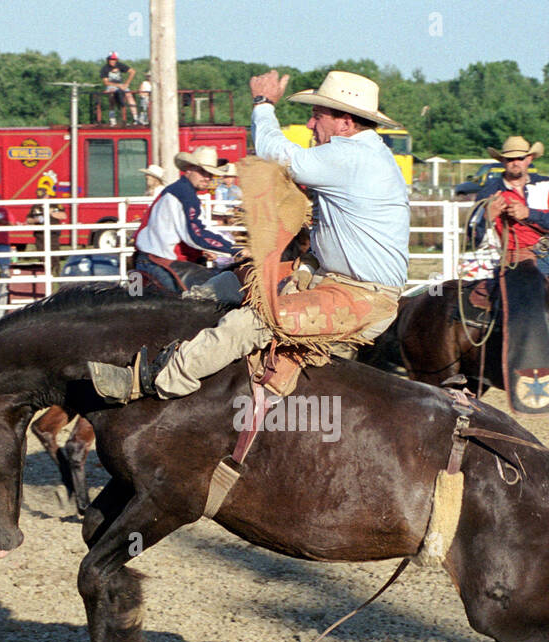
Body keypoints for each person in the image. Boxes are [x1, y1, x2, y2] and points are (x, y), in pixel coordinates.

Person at [89, 69, 409, 403]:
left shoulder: (352, 155)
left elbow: (277, 154)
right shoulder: (360, 156)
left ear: (344, 122)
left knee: (255, 321)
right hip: (337, 282)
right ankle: (181, 340)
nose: (311, 125)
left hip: (361, 298)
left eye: (317, 116)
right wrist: (305, 268)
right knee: (228, 285)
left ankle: (154, 382)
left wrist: (263, 104)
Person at [131, 145, 239, 294]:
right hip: (160, 263)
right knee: (218, 294)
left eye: (210, 174)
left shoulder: (177, 190)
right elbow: (196, 235)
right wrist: (234, 249)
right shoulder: (185, 194)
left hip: (147, 260)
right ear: (189, 169)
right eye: (202, 172)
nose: (207, 178)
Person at [473, 136, 549, 277]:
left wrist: (528, 213)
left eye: (520, 158)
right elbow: (474, 237)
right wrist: (487, 217)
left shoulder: (546, 185)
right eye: (510, 159)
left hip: (546, 254)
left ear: (529, 159)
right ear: (503, 161)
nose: (515, 163)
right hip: (513, 259)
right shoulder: (489, 192)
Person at [100, 52, 140, 126]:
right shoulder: (105, 68)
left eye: (114, 59)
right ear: (108, 60)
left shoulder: (119, 65)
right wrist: (118, 85)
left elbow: (132, 72)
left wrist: (127, 83)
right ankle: (112, 118)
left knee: (129, 96)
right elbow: (106, 82)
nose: (113, 61)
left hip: (121, 85)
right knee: (112, 97)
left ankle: (135, 117)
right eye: (111, 59)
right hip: (111, 85)